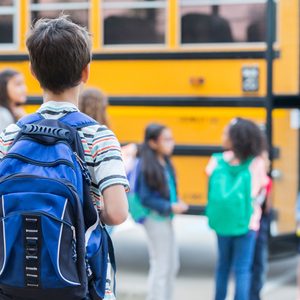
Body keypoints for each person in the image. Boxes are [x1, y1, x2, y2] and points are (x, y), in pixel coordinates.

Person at [0, 16, 129, 299]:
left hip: (13, 281)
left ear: (33, 72)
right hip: (80, 281)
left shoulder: (11, 135)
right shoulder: (99, 136)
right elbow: (118, 213)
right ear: (86, 72)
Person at [206, 118, 268, 300]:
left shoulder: (216, 160)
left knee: (223, 266)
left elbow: (210, 187)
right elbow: (260, 190)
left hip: (222, 221)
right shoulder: (256, 163)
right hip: (247, 222)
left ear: (234, 139)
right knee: (242, 268)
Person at [136, 123, 188, 300]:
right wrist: (169, 206)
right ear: (152, 143)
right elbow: (145, 198)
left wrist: (175, 202)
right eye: (166, 139)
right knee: (161, 266)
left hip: (166, 218)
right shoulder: (146, 166)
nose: (171, 143)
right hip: (155, 219)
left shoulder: (165, 162)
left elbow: (169, 189)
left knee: (172, 265)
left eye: (171, 138)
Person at [250, 150, 272, 300]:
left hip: (260, 224)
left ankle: (254, 295)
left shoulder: (266, 181)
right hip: (254, 225)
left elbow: (268, 206)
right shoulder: (256, 180)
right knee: (256, 264)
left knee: (257, 264)